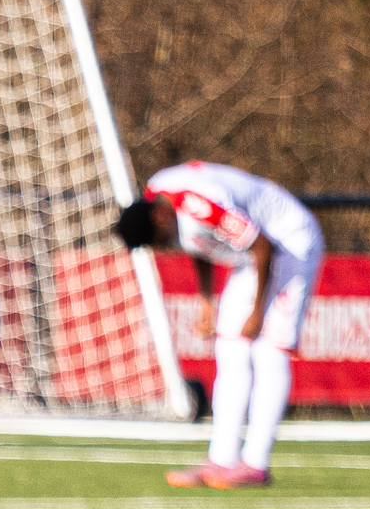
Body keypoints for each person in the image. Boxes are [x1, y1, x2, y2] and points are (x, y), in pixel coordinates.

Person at [114, 163, 324, 488]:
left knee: (269, 351)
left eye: (158, 240)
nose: (163, 247)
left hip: (288, 241)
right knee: (230, 350)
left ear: (159, 217)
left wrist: (257, 312)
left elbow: (261, 245)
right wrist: (206, 300)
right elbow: (197, 242)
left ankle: (255, 464)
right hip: (254, 254)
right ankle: (221, 459)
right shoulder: (159, 199)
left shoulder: (201, 205)